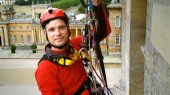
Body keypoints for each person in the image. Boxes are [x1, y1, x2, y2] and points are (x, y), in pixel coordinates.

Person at [35, 0, 111, 95]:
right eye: (51, 30)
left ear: (68, 29)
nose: (57, 33)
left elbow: (103, 32)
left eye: (61, 27)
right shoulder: (45, 68)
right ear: (45, 34)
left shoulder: (75, 45)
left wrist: (96, 4)